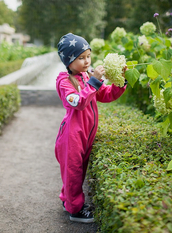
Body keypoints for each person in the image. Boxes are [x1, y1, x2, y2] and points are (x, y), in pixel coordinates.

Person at [55, 33, 127, 223]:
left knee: (79, 170)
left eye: (88, 56)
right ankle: (75, 210)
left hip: (85, 135)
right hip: (72, 136)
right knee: (73, 173)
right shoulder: (64, 81)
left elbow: (105, 94)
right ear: (68, 60)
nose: (87, 61)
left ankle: (67, 200)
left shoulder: (86, 76)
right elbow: (78, 102)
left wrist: (120, 81)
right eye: (81, 57)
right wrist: (94, 81)